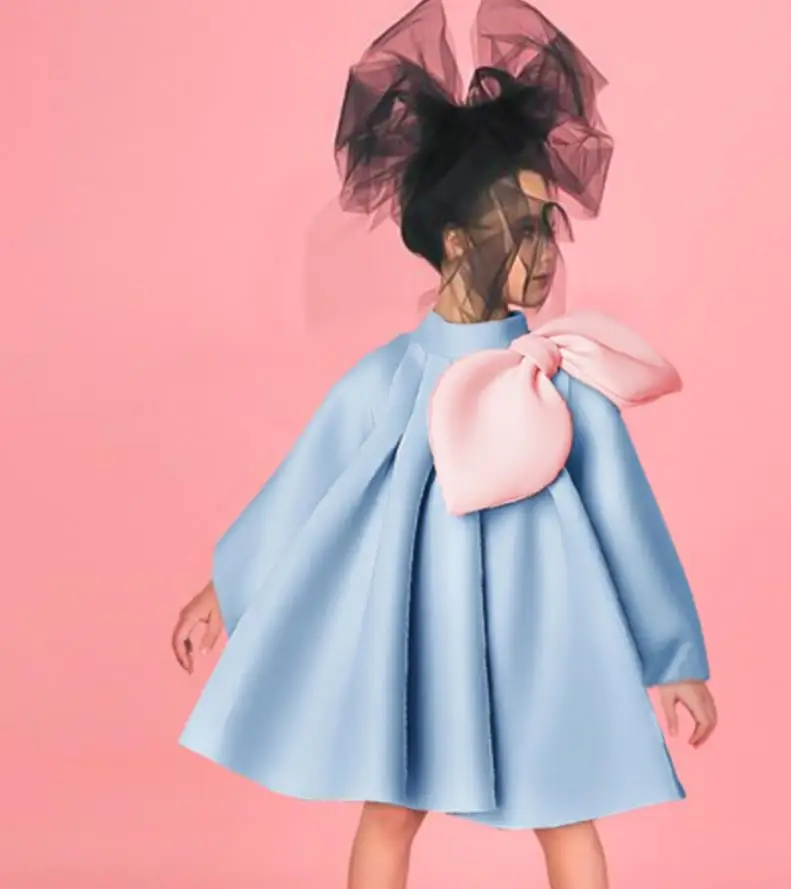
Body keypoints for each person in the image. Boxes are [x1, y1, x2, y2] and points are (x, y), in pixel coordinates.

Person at [170, 1, 718, 888]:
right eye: (522, 229)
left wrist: (675, 658)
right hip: (420, 629)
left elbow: (628, 520)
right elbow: (304, 484)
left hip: (542, 628)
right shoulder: (388, 378)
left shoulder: (558, 374)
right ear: (459, 241)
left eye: (547, 226)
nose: (545, 249)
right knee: (389, 809)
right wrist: (225, 589)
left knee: (563, 809)